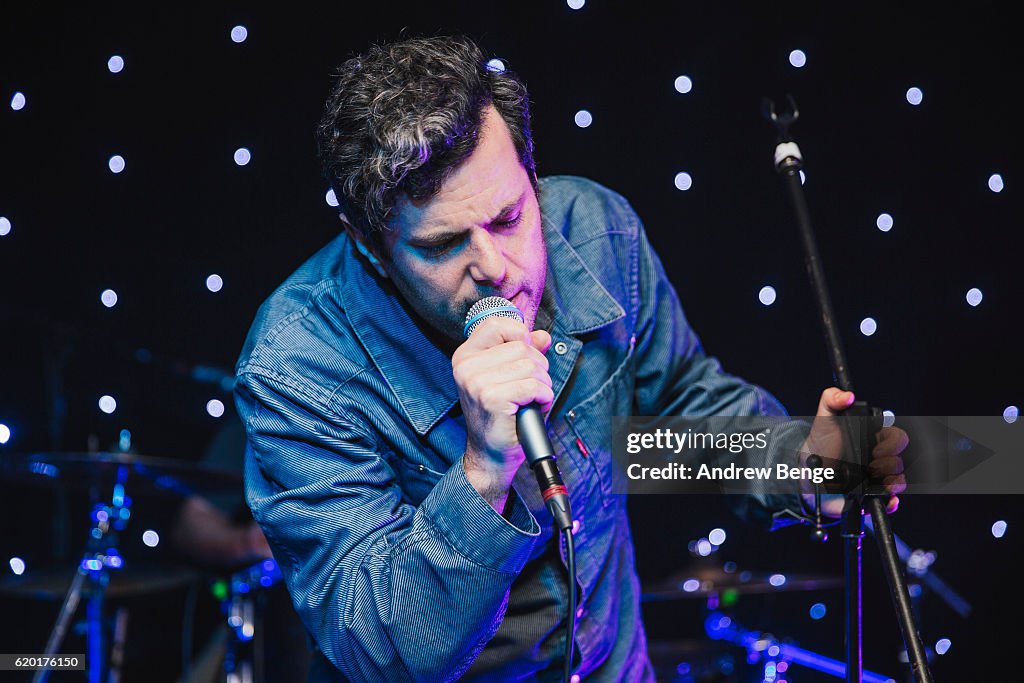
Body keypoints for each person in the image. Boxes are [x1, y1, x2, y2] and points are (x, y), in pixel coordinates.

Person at [233, 35, 907, 681]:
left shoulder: (596, 229)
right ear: (370, 247)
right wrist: (484, 471)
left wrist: (805, 463)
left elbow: (680, 426)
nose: (495, 268)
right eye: (442, 246)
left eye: (508, 217)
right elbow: (382, 650)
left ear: (532, 173)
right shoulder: (296, 363)